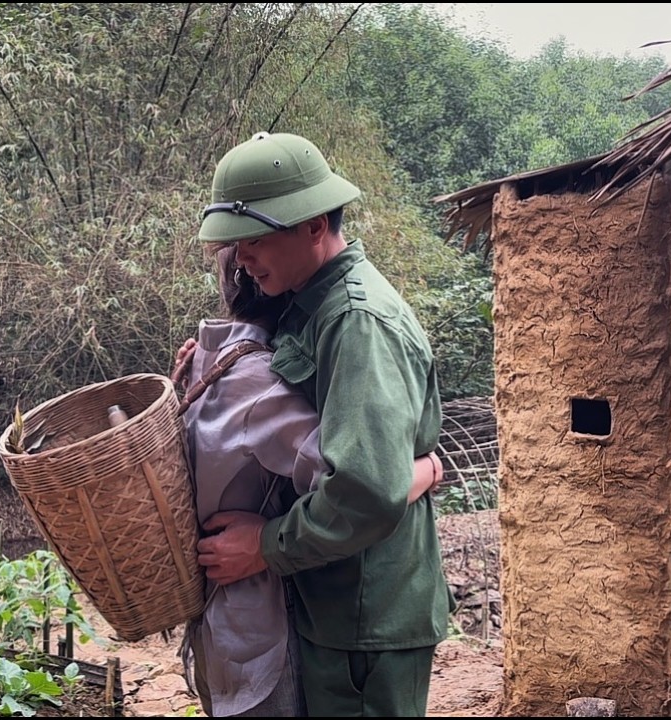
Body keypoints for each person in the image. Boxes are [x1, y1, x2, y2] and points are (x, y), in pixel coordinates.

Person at [193, 131, 453, 717]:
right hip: (331, 601)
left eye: (255, 240)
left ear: (314, 226)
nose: (242, 258)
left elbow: (365, 492)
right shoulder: (306, 303)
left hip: (366, 616)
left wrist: (264, 546)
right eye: (236, 244)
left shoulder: (357, 323)